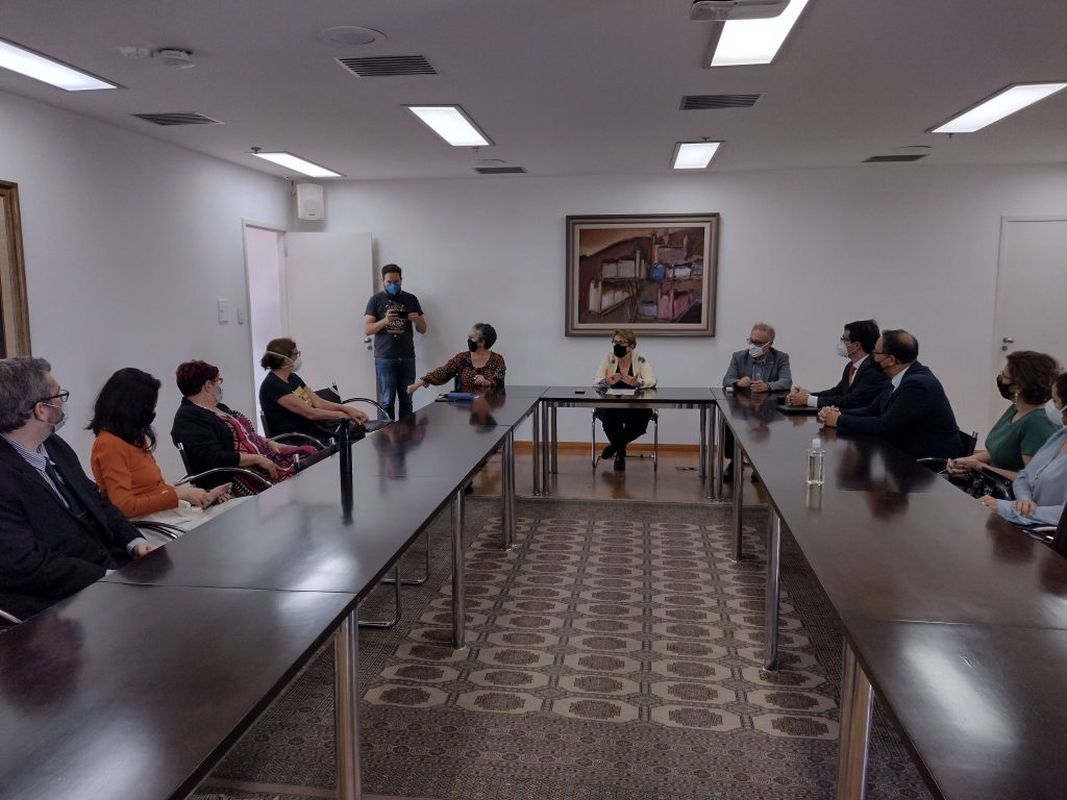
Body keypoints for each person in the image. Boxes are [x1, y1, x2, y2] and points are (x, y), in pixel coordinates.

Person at [0, 357, 155, 619]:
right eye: (58, 395)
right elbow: (28, 564)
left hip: (110, 571)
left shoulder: (55, 446)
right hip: (60, 606)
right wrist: (107, 577)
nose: (63, 401)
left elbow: (95, 499)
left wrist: (135, 541)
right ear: (41, 410)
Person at [90, 368, 230, 518]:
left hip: (162, 515)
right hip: (146, 522)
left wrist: (201, 496)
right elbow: (124, 507)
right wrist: (179, 494)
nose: (152, 412)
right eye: (149, 406)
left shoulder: (133, 438)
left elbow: (155, 489)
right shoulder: (109, 445)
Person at [818, 329, 965, 460]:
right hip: (904, 454)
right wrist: (836, 413)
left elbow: (885, 426)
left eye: (876, 353)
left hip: (929, 465)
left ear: (891, 360)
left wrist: (839, 420)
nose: (871, 357)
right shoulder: (898, 377)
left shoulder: (917, 384)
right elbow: (871, 410)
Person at [171, 360, 315, 492]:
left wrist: (270, 442)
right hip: (242, 474)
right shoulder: (188, 419)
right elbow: (214, 458)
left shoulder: (219, 408)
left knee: (310, 453)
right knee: (306, 477)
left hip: (262, 459)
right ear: (208, 386)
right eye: (218, 382)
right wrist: (257, 459)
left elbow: (247, 434)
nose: (220, 386)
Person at [947, 351, 1060, 481]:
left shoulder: (1038, 422)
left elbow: (1033, 480)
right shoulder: (1016, 408)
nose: (1000, 378)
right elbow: (1000, 452)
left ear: (1018, 386)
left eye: (1004, 376)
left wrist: (981, 467)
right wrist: (964, 462)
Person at [979, 373, 1067, 526]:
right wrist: (1024, 501)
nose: (1050, 406)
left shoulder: (1038, 421)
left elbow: (1062, 515)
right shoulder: (1061, 436)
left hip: (1048, 532)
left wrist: (1006, 509)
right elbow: (1024, 477)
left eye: (1055, 401)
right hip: (1027, 521)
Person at [259, 337, 369, 440]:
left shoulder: (293, 377)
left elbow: (318, 402)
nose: (298, 358)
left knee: (357, 430)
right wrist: (344, 416)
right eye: (296, 354)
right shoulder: (273, 385)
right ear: (286, 360)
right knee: (350, 435)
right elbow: (311, 413)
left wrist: (347, 409)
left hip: (311, 430)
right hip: (295, 438)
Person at [721, 322, 791, 480]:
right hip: (744, 406)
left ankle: (762, 465)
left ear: (769, 344)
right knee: (729, 420)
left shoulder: (780, 358)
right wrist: (738, 382)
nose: (753, 345)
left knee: (779, 425)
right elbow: (727, 380)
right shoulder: (739, 356)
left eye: (758, 343)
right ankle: (734, 462)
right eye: (751, 341)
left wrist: (768, 386)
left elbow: (786, 381)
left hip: (770, 408)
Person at [363, 263, 427, 420]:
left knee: (407, 400)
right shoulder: (375, 300)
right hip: (385, 357)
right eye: (389, 282)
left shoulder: (411, 299)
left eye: (396, 282)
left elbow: (423, 329)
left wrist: (417, 319)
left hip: (407, 357)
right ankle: (386, 433)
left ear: (401, 280)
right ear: (383, 281)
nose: (393, 285)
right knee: (386, 402)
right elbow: (367, 329)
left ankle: (407, 432)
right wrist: (385, 321)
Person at [593, 329, 657, 471]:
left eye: (621, 342)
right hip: (611, 404)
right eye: (615, 342)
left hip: (634, 405)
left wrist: (637, 382)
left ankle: (614, 447)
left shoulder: (639, 359)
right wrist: (606, 381)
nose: (617, 346)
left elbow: (652, 380)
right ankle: (620, 454)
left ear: (631, 346)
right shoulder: (609, 358)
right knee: (608, 418)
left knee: (642, 419)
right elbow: (596, 380)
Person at [788, 319, 887, 410]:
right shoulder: (851, 366)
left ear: (856, 345)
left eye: (844, 339)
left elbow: (853, 401)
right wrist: (807, 395)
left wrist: (808, 400)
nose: (841, 342)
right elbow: (838, 392)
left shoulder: (873, 368)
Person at [407, 323, 506, 395]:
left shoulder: (497, 359)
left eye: (471, 338)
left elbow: (500, 383)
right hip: (466, 408)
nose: (468, 340)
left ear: (482, 342)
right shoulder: (462, 358)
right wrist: (418, 384)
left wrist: (486, 382)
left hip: (489, 405)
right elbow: (443, 372)